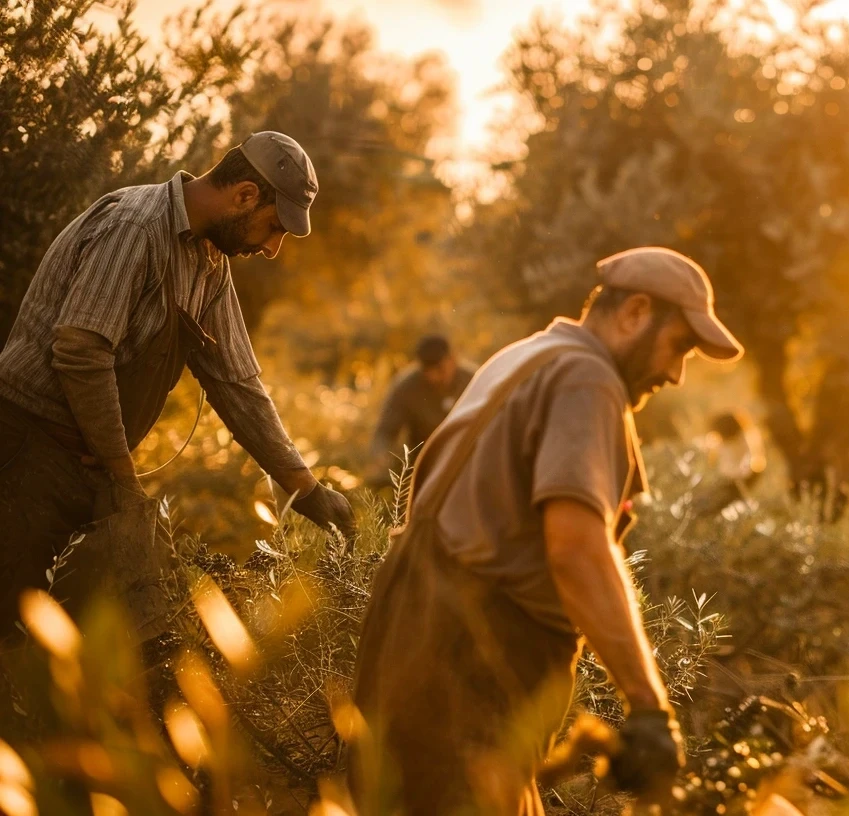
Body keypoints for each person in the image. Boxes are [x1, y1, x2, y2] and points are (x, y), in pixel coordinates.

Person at [350, 247, 743, 815]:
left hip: (410, 648)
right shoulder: (587, 378)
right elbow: (578, 550)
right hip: (467, 670)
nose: (677, 373)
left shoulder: (524, 356)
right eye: (680, 345)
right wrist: (648, 705)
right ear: (635, 312)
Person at [0, 132, 356, 639]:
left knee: (79, 647)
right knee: (13, 641)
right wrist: (123, 474)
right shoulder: (136, 225)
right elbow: (80, 350)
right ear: (245, 196)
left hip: (87, 465)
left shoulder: (211, 263)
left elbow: (238, 384)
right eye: (275, 227)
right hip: (23, 452)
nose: (274, 248)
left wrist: (305, 488)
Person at [367, 334, 475, 483]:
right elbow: (385, 432)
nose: (434, 377)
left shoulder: (473, 379)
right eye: (428, 370)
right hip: (423, 466)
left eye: (440, 369)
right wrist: (381, 458)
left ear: (452, 359)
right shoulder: (406, 386)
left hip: (468, 462)